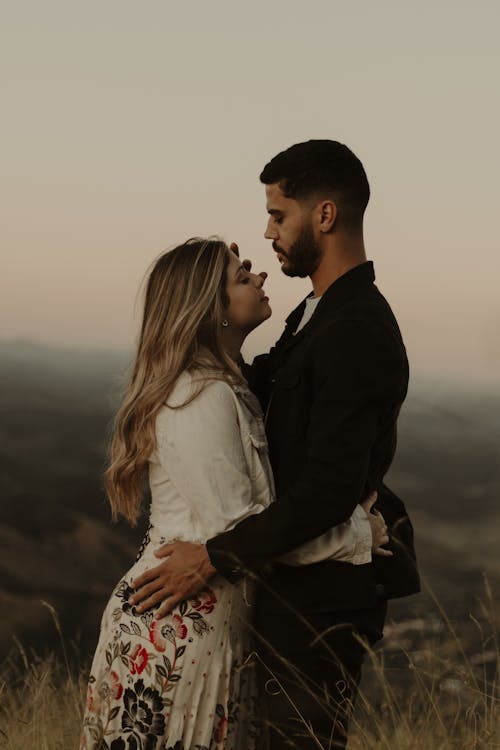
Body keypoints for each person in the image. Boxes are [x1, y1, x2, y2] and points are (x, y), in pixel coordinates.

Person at [130, 141, 420, 749]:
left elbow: (326, 490)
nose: (267, 232)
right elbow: (249, 394)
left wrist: (214, 556)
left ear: (325, 216)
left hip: (318, 605)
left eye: (278, 214)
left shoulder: (356, 327)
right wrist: (210, 302)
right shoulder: (314, 312)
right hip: (285, 591)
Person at [80, 236, 389, 750]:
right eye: (242, 277)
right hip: (180, 632)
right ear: (212, 309)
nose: (261, 277)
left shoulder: (226, 386)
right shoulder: (201, 397)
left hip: (204, 623)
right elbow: (241, 533)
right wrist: (357, 534)